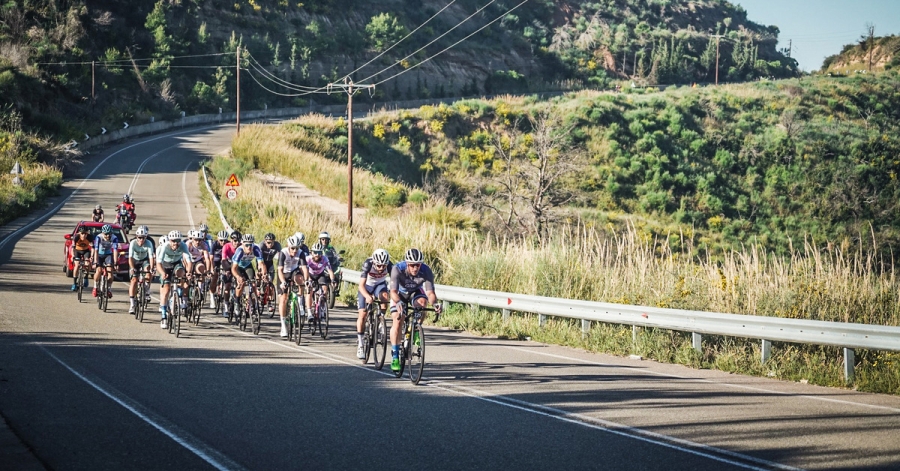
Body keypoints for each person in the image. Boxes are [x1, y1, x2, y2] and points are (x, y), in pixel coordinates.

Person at [388, 248, 443, 372]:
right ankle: (395, 355)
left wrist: (435, 304)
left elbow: (430, 292)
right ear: (407, 264)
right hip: (399, 294)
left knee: (423, 303)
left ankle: (415, 329)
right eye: (412, 265)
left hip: (415, 292)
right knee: (398, 320)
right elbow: (393, 292)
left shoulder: (426, 270)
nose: (415, 268)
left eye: (418, 265)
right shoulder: (397, 269)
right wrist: (398, 302)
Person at [356, 248, 392, 359]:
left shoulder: (390, 265)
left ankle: (381, 320)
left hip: (379, 286)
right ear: (374, 263)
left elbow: (395, 281)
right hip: (366, 287)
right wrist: (367, 296)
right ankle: (361, 344)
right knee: (362, 314)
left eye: (384, 266)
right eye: (379, 266)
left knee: (385, 297)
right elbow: (361, 285)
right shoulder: (368, 264)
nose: (381, 268)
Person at [156, 230, 193, 329]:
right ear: (169, 241)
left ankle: (178, 294)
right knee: (166, 290)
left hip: (177, 264)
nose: (175, 243)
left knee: (181, 273)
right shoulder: (165, 246)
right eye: (173, 241)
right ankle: (164, 317)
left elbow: (189, 262)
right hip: (166, 265)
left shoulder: (183, 246)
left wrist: (188, 272)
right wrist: (163, 273)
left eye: (177, 241)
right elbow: (158, 263)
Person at [276, 235, 309, 337]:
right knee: (284, 299)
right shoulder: (283, 253)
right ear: (288, 246)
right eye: (293, 248)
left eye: (297, 248)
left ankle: (299, 300)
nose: (295, 251)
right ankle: (283, 326)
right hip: (283, 274)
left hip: (294, 271)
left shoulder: (300, 253)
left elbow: (304, 269)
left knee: (300, 279)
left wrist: (307, 280)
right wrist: (283, 282)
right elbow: (280, 270)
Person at [231, 233, 266, 310]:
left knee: (253, 283)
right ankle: (237, 302)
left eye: (250, 245)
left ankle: (254, 305)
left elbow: (261, 264)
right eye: (246, 245)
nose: (249, 247)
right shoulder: (239, 251)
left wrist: (264, 274)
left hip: (247, 265)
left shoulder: (256, 249)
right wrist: (238, 277)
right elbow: (233, 268)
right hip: (238, 267)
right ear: (243, 244)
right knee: (242, 283)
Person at [127, 226, 155, 314]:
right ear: (136, 237)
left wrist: (152, 268)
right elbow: (130, 257)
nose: (141, 240)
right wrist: (132, 268)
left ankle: (146, 289)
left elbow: (151, 257)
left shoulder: (149, 243)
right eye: (139, 237)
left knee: (148, 270)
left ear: (146, 237)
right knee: (134, 280)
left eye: (143, 238)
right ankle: (132, 304)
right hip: (134, 261)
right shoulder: (133, 243)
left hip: (144, 260)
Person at [304, 242, 335, 319]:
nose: (317, 255)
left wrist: (333, 280)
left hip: (320, 275)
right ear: (312, 253)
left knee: (325, 289)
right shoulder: (308, 259)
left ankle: (323, 307)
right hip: (310, 275)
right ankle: (309, 312)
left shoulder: (324, 259)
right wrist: (307, 280)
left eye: (319, 252)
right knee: (310, 291)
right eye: (315, 252)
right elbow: (305, 271)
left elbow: (330, 271)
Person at [92, 224, 119, 299]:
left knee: (110, 270)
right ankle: (95, 287)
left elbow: (115, 251)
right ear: (102, 233)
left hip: (108, 255)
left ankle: (109, 289)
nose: (107, 236)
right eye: (106, 234)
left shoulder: (114, 238)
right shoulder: (99, 237)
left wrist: (116, 262)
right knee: (99, 270)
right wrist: (95, 262)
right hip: (99, 255)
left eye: (109, 234)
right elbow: (96, 250)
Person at [220, 231, 242, 318]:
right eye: (235, 240)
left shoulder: (241, 247)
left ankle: (241, 304)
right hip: (228, 265)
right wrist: (227, 270)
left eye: (238, 241)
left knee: (241, 282)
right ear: (231, 240)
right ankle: (226, 307)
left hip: (237, 266)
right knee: (228, 286)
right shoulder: (226, 246)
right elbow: (223, 260)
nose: (236, 242)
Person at [260, 232, 281, 309]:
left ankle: (269, 302)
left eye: (272, 242)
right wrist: (263, 271)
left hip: (270, 263)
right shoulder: (261, 246)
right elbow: (260, 260)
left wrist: (280, 267)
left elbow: (280, 258)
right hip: (261, 262)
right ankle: (259, 288)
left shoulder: (277, 245)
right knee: (260, 276)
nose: (270, 244)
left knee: (270, 282)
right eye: (268, 243)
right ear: (265, 241)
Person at [209, 230, 229, 308]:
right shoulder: (214, 244)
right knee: (214, 277)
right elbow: (211, 258)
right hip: (216, 261)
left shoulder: (228, 244)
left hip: (225, 261)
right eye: (221, 240)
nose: (223, 242)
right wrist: (211, 269)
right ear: (218, 239)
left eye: (225, 240)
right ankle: (212, 296)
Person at [70, 225, 94, 291]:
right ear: (79, 233)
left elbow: (92, 248)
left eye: (85, 233)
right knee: (77, 265)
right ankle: (74, 284)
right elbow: (73, 248)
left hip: (86, 251)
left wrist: (91, 256)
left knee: (87, 263)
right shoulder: (76, 237)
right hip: (77, 251)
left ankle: (86, 277)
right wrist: (72, 256)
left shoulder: (89, 237)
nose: (84, 235)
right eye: (82, 233)